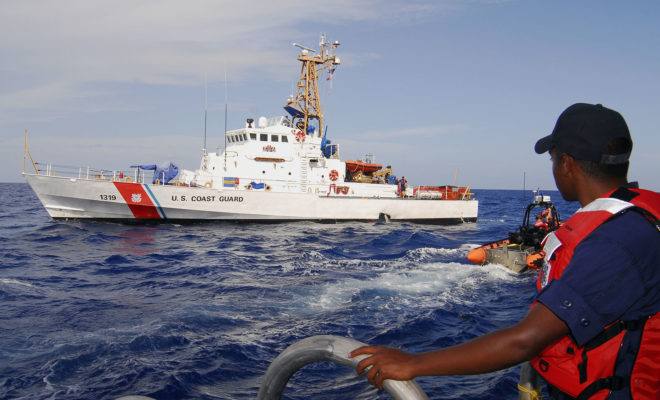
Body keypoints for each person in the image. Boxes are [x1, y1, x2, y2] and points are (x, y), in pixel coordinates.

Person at [350, 103, 660, 399]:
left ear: (567, 163)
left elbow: (524, 341)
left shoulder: (612, 241)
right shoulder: (637, 218)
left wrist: (413, 363)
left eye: (552, 159)